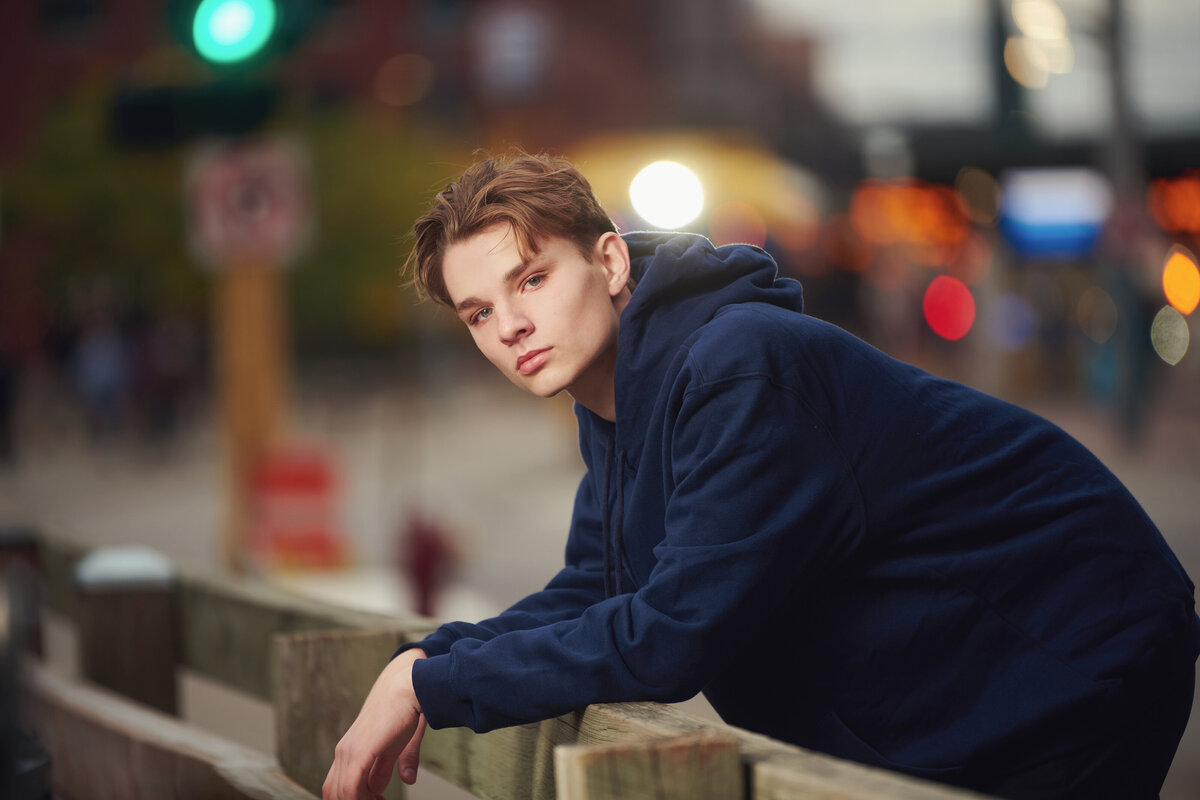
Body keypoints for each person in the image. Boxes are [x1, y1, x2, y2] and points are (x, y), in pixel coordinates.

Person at [324, 153, 1199, 800]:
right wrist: (430, 658)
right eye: (481, 312)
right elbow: (597, 587)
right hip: (961, 695)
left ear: (611, 262)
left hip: (1074, 655)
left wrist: (434, 685)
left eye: (533, 279)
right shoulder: (617, 401)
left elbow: (672, 636)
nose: (511, 325)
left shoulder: (740, 367)